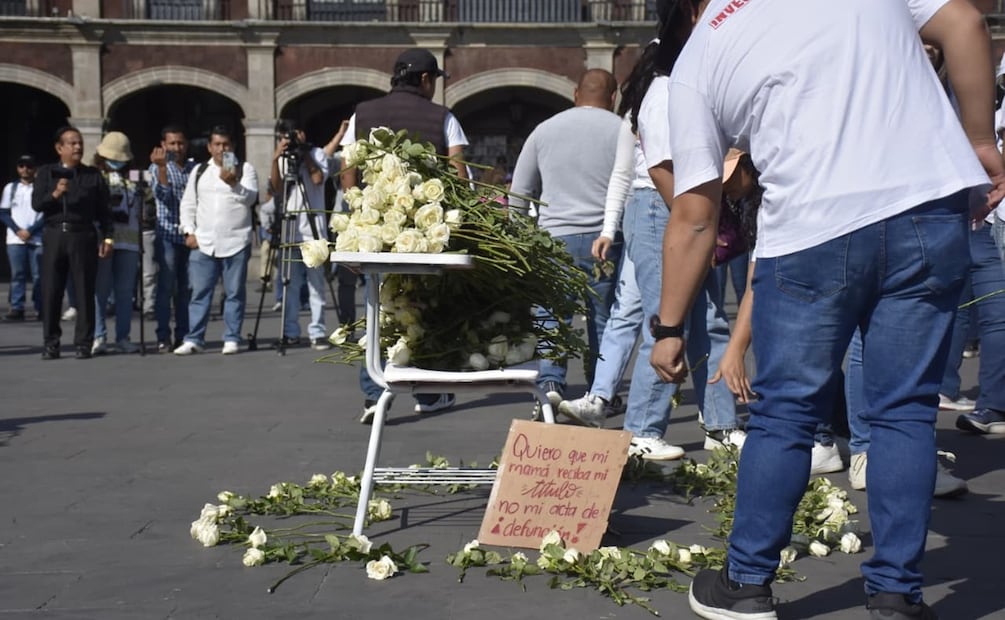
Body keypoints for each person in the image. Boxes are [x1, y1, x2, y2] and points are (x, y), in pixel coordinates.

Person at [648, 1, 1004, 619]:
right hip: (926, 205)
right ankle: (896, 593)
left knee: (785, 412)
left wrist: (670, 326)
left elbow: (696, 211)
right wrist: (979, 138)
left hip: (812, 230)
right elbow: (967, 24)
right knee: (905, 412)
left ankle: (747, 584)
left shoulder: (701, 54)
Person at [339, 47, 467, 423]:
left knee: (377, 309)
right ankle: (428, 395)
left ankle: (372, 395)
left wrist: (359, 212)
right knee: (423, 310)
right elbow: (459, 173)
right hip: (426, 235)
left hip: (375, 232)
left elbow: (347, 167)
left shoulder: (362, 113)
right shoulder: (442, 116)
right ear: (426, 80)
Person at [509, 68, 623, 414]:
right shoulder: (622, 132)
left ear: (576, 94)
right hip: (604, 239)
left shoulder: (544, 130)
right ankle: (601, 391)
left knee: (551, 316)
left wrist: (522, 235)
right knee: (602, 318)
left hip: (553, 237)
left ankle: (550, 384)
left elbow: (520, 191)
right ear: (613, 97)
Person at [173, 125, 259, 355]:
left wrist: (234, 184)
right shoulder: (200, 170)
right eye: (217, 145)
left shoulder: (245, 168)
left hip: (236, 241)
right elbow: (188, 203)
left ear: (233, 146)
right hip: (204, 241)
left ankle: (231, 337)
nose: (222, 149)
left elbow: (252, 199)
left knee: (234, 293)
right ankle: (194, 338)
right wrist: (188, 231)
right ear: (210, 147)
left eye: (226, 144)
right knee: (199, 293)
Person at [32, 126, 113, 360]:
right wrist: (55, 194)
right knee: (51, 291)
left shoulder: (92, 175)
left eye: (79, 143)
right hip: (55, 234)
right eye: (72, 143)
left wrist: (107, 237)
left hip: (83, 235)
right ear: (59, 148)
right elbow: (37, 204)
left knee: (84, 290)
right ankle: (51, 343)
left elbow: (104, 211)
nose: (78, 147)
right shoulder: (46, 173)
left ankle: (84, 343)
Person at [270, 118, 333, 351]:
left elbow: (317, 179)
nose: (290, 139)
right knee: (290, 285)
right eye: (285, 135)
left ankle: (317, 332)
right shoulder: (284, 157)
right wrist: (276, 158)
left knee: (316, 285)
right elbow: (276, 187)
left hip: (313, 230)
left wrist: (305, 153)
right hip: (290, 230)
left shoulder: (317, 154)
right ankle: (291, 331)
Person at [91, 131, 144, 355]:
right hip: (104, 239)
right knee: (100, 291)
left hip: (130, 240)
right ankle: (98, 335)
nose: (117, 162)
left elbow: (149, 200)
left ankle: (123, 336)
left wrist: (144, 191)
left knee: (125, 293)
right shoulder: (95, 177)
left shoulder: (134, 177)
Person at [150, 125, 195, 353]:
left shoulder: (193, 168)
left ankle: (184, 334)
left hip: (189, 236)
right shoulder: (157, 167)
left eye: (180, 143)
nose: (177, 148)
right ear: (163, 145)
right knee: (166, 286)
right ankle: (163, 335)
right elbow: (162, 195)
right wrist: (162, 169)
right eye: (172, 143)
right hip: (167, 233)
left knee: (186, 288)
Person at [1, 155, 43, 321]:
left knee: (39, 275)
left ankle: (41, 307)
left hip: (37, 237)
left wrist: (31, 230)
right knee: (17, 274)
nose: (25, 169)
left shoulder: (41, 187)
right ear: (18, 168)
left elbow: (46, 213)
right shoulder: (10, 188)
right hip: (15, 239)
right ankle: (17, 307)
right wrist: (18, 230)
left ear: (35, 168)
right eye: (22, 166)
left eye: (29, 166)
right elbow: (4, 212)